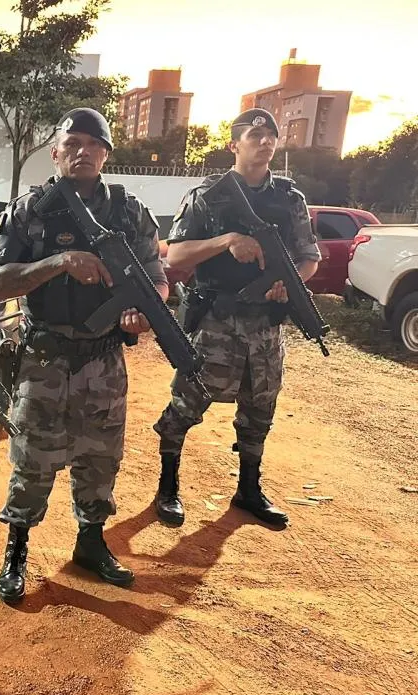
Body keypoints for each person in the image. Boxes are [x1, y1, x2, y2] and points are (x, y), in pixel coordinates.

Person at [0, 108, 168, 604]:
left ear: (107, 154)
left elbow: (157, 279)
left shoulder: (129, 213)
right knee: (32, 461)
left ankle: (90, 543)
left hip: (104, 359)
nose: (83, 151)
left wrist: (143, 312)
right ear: (56, 153)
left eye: (94, 143)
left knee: (100, 457)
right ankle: (17, 551)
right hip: (43, 358)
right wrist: (58, 262)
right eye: (73, 143)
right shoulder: (29, 211)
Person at [151, 108, 321, 528]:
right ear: (234, 144)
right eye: (253, 134)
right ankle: (167, 486)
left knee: (260, 407)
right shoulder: (208, 195)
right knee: (187, 404)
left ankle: (248, 489)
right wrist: (226, 240)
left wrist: (290, 282)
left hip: (266, 326)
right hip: (216, 322)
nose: (264, 141)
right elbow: (175, 254)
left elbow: (309, 258)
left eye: (271, 136)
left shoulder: (289, 199)